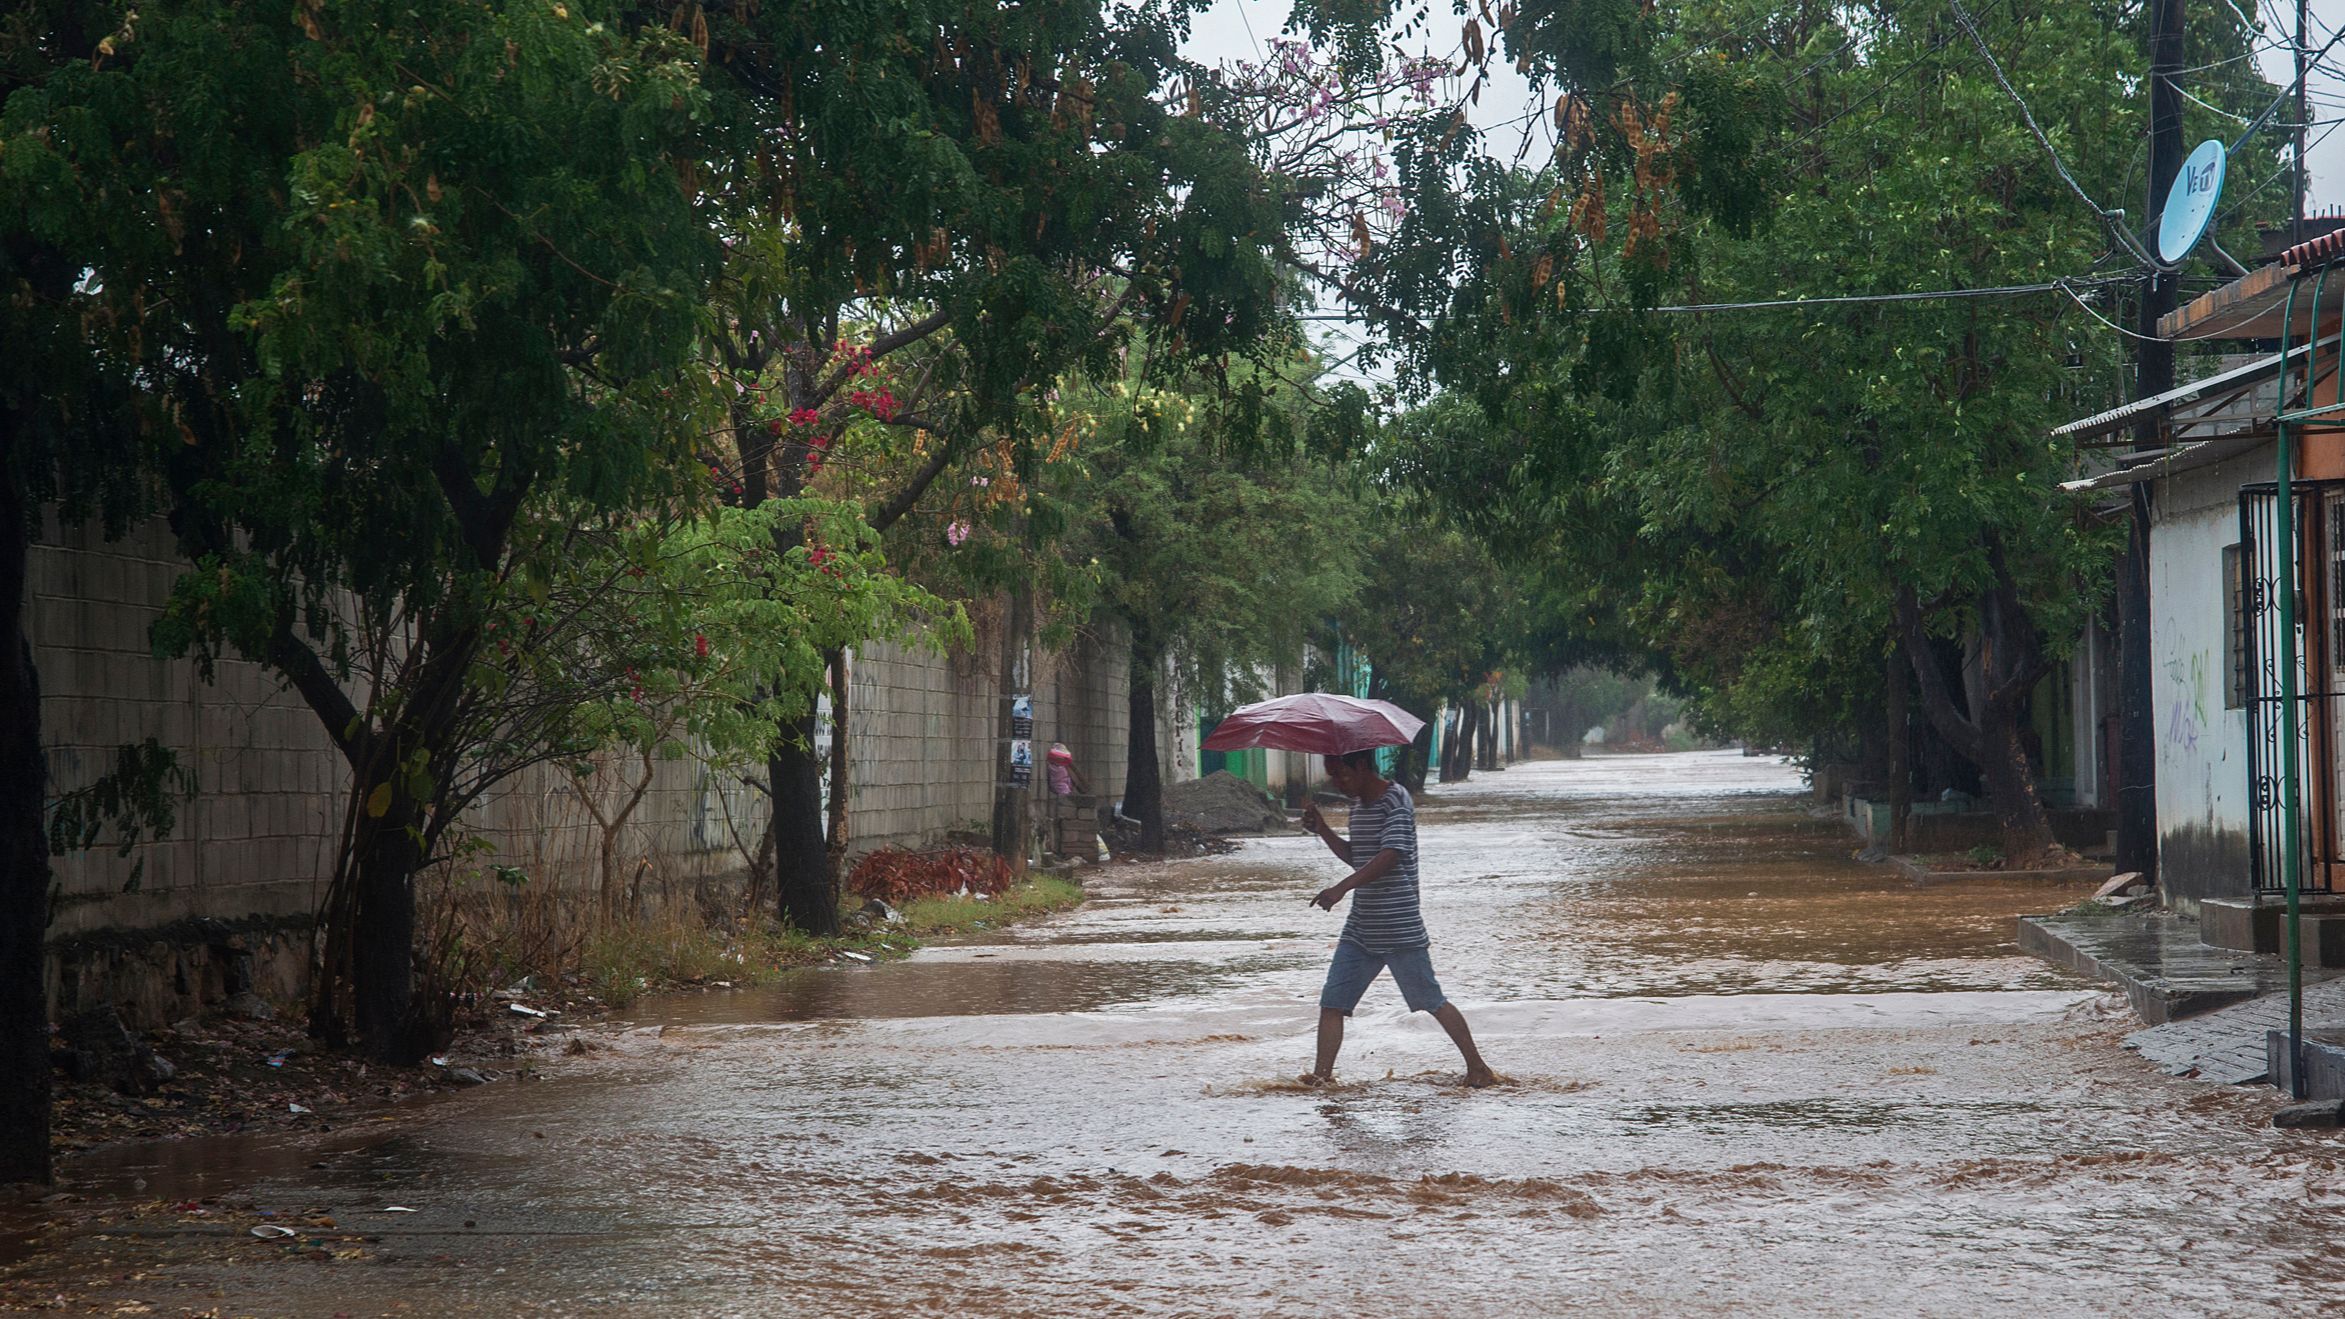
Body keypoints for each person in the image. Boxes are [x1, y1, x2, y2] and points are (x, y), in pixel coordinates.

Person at [1298, 748, 1495, 1087]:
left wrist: (1341, 889)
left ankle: (1478, 1068)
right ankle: (1320, 1080)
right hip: (1362, 925)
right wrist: (1323, 830)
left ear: (1361, 766)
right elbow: (1357, 857)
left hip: (1399, 924)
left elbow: (1390, 856)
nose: (1337, 783)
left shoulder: (1396, 800)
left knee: (1430, 1000)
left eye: (1341, 774)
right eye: (1332, 775)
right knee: (1333, 1002)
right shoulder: (1358, 807)